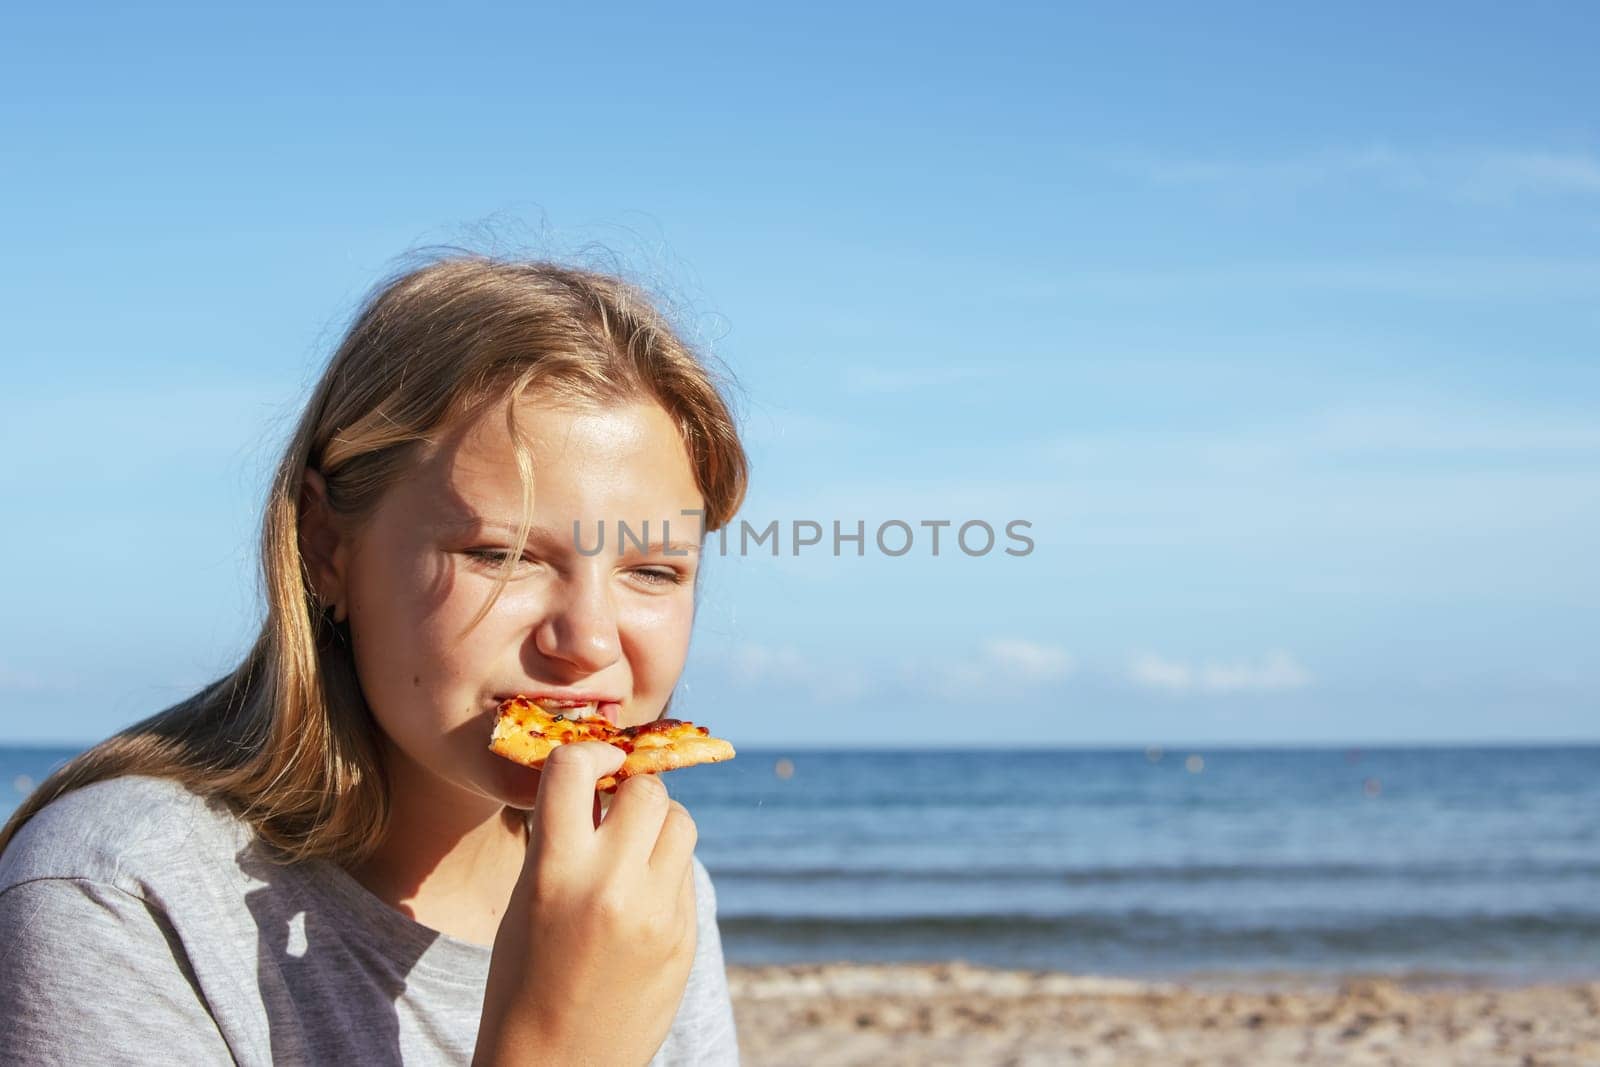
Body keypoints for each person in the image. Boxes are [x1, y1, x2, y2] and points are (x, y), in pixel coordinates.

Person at [0, 256, 749, 1065]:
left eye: (652, 570)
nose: (591, 642)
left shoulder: (643, 890)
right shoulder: (122, 898)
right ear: (327, 548)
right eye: (503, 554)